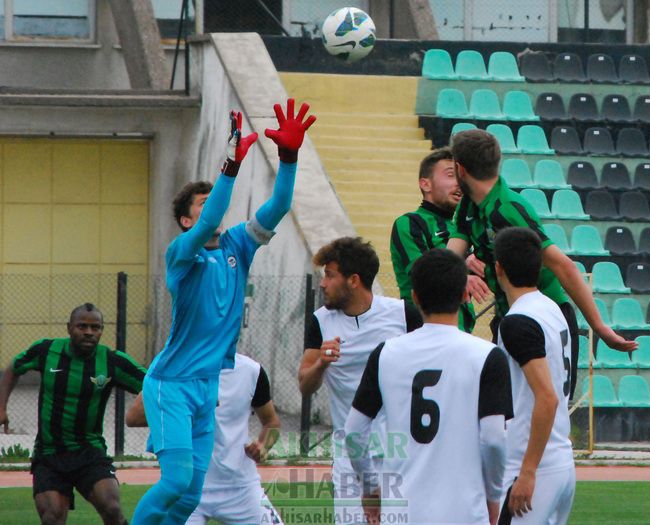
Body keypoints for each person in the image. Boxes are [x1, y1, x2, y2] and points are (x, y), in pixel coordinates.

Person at [132, 99, 316, 525]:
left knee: (189, 492)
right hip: (171, 383)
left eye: (211, 199)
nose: (211, 204)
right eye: (201, 203)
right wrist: (229, 168)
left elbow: (280, 205)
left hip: (205, 386)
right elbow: (211, 216)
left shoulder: (237, 245)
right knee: (177, 483)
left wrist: (288, 158)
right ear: (184, 220)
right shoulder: (182, 254)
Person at [446, 129, 637, 396]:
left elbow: (563, 265)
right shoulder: (469, 205)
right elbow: (449, 258)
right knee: (507, 405)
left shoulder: (508, 208)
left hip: (545, 317)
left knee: (547, 403)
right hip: (508, 317)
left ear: (460, 168)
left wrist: (599, 328)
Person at [345, 249, 513, 525]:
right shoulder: (487, 356)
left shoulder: (386, 353)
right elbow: (494, 438)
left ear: (415, 297)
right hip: (464, 512)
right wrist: (494, 496)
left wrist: (370, 488)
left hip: (402, 513)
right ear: (464, 296)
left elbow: (353, 432)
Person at [298, 237, 422, 525]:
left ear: (353, 280)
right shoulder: (320, 322)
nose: (324, 284)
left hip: (398, 451)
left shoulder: (403, 314)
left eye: (330, 276)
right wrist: (320, 363)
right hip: (350, 455)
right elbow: (305, 384)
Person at [0, 303, 146, 525]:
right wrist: (1, 407)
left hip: (90, 452)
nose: (89, 332)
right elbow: (12, 368)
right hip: (49, 454)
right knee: (52, 517)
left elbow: (155, 384)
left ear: (101, 330)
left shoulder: (112, 361)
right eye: (82, 326)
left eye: (95, 327)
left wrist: (195, 398)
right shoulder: (46, 350)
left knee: (112, 508)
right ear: (69, 328)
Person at [126, 354, 283, 525]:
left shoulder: (252, 371)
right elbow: (133, 417)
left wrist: (263, 446)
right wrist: (178, 408)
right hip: (188, 489)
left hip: (242, 488)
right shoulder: (175, 367)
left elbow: (271, 422)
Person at [494, 228, 575, 524]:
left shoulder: (518, 320)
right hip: (560, 459)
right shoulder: (552, 308)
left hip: (533, 466)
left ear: (498, 267)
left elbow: (547, 397)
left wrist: (527, 472)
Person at [390, 146, 489, 333]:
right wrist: (461, 277)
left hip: (460, 334)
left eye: (461, 177)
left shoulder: (463, 227)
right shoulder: (410, 223)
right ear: (425, 184)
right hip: (422, 331)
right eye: (451, 175)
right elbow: (422, 275)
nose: (459, 183)